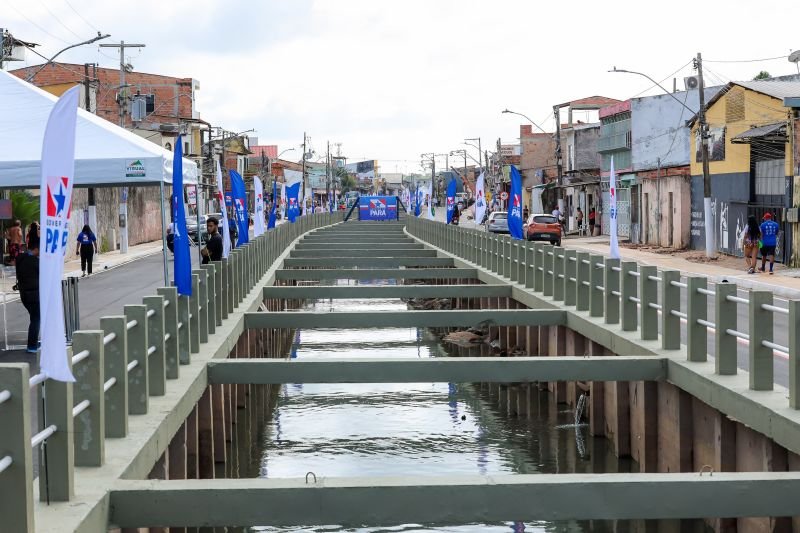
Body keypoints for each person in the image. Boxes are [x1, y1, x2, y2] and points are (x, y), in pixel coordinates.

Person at [16, 238, 39, 353]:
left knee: (34, 318)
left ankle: (33, 342)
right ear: (35, 249)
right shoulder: (34, 261)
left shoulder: (20, 258)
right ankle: (32, 346)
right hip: (34, 293)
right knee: (36, 319)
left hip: (24, 293)